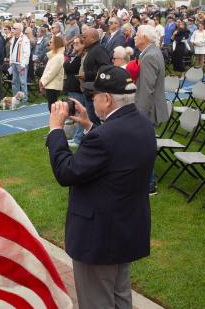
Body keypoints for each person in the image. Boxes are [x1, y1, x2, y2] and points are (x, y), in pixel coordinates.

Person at [46, 66, 155, 309]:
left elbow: (67, 172)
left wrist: (55, 130)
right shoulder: (143, 124)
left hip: (98, 236)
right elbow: (116, 153)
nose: (91, 99)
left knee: (97, 301)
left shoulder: (105, 137)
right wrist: (89, 125)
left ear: (107, 99)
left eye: (94, 95)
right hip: (126, 228)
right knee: (120, 295)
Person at [134, 24, 167, 195]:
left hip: (148, 110)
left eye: (137, 34)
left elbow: (147, 89)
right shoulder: (151, 52)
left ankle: (149, 184)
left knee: (145, 147)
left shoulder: (150, 56)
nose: (134, 37)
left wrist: (139, 115)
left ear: (145, 38)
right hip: (149, 107)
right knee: (144, 146)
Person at [78, 28, 112, 126]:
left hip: (96, 92)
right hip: (90, 91)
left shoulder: (99, 50)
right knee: (92, 119)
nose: (82, 39)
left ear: (92, 38)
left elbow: (106, 69)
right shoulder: (92, 49)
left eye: (85, 37)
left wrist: (87, 75)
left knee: (95, 121)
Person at [64, 35, 86, 147]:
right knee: (73, 112)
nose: (75, 45)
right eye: (74, 43)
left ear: (83, 44)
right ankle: (74, 137)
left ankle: (78, 138)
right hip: (71, 87)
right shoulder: (75, 54)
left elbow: (69, 67)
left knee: (79, 113)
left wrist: (69, 63)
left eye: (78, 43)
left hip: (77, 88)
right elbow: (66, 66)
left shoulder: (82, 57)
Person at [39, 36, 65, 111]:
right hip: (50, 84)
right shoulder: (54, 56)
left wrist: (42, 81)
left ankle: (56, 122)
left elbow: (52, 72)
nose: (49, 43)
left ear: (56, 44)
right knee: (51, 107)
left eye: (51, 42)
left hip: (53, 86)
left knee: (52, 107)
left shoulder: (59, 57)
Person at [8, 22, 31, 105]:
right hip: (14, 63)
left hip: (21, 63)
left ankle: (24, 100)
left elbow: (27, 53)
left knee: (23, 82)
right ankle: (16, 99)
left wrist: (23, 64)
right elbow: (11, 50)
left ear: (19, 29)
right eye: (12, 28)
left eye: (14, 28)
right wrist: (10, 61)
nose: (12, 30)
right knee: (14, 81)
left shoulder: (25, 39)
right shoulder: (13, 38)